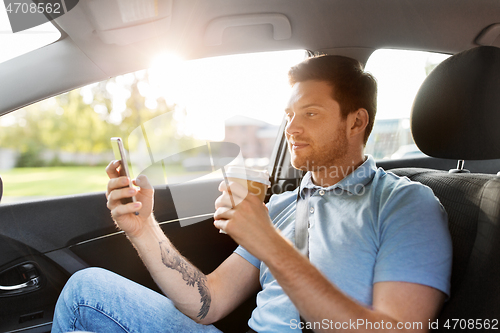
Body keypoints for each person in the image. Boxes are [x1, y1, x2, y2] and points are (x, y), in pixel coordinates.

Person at [51, 55, 452, 333]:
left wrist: (271, 245)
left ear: (356, 122)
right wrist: (143, 229)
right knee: (87, 292)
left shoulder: (404, 204)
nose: (292, 128)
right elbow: (209, 302)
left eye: (310, 113)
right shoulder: (280, 205)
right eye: (289, 115)